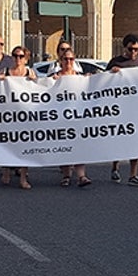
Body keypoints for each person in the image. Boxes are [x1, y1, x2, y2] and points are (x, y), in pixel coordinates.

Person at [106, 33, 138, 187]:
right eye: (131, 49)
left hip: (136, 108)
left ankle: (133, 174)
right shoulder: (115, 62)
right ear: (124, 47)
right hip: (119, 108)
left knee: (135, 141)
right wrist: (112, 73)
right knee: (118, 138)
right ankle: (115, 166)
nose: (133, 53)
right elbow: (103, 82)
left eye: (136, 50)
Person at [0, 46, 37, 189]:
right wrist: (0, 81)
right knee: (7, 143)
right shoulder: (6, 71)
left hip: (25, 114)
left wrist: (34, 80)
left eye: (21, 56)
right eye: (15, 56)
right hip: (8, 114)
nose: (18, 59)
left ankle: (23, 177)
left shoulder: (30, 72)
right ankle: (6, 171)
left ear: (26, 58)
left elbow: (39, 91)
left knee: (24, 144)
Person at [53, 48, 91, 187]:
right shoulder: (55, 78)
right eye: (65, 59)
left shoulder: (80, 78)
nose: (68, 62)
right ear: (60, 61)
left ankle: (81, 176)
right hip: (61, 118)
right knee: (64, 146)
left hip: (78, 117)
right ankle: (66, 175)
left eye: (71, 59)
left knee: (79, 146)